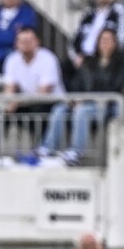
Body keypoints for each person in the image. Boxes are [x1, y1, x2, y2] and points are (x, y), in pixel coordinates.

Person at [39, 28, 124, 164]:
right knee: (60, 109)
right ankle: (47, 148)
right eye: (102, 39)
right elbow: (77, 83)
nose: (105, 43)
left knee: (82, 111)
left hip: (104, 106)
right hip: (82, 102)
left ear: (115, 43)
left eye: (109, 40)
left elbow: (114, 86)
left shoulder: (120, 64)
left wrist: (85, 100)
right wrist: (75, 98)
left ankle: (76, 151)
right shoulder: (88, 62)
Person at [4, 26, 65, 152]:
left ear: (37, 42)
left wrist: (17, 102)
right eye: (22, 41)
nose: (25, 45)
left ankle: (45, 149)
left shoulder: (48, 58)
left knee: (40, 110)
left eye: (29, 41)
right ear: (16, 44)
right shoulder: (12, 59)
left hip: (51, 102)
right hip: (27, 101)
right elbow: (9, 87)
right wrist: (8, 104)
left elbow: (45, 91)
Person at [68, 0, 124, 73]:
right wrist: (76, 56)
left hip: (108, 62)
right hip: (84, 61)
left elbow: (121, 39)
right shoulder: (88, 13)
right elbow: (75, 39)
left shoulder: (119, 12)